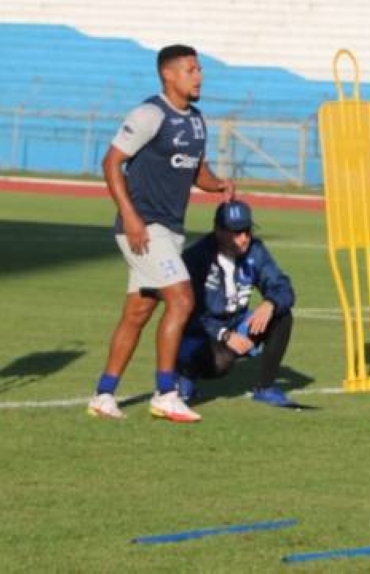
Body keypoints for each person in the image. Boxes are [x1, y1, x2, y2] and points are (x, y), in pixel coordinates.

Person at [86, 44, 236, 423]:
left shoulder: (198, 120)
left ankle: (104, 395)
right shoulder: (150, 114)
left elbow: (197, 172)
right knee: (182, 300)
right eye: (191, 70)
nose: (199, 76)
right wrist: (131, 217)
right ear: (168, 75)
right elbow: (111, 162)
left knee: (138, 312)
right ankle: (166, 392)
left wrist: (219, 185)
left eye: (200, 69)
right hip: (143, 227)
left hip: (169, 231)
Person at [175, 200, 296, 407]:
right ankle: (184, 375)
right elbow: (188, 311)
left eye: (247, 231)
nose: (244, 239)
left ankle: (265, 388)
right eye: (236, 232)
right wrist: (224, 334)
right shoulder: (196, 257)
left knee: (282, 315)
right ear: (218, 231)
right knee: (220, 362)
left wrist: (270, 303)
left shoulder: (256, 251)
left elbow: (282, 286)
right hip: (199, 331)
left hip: (236, 323)